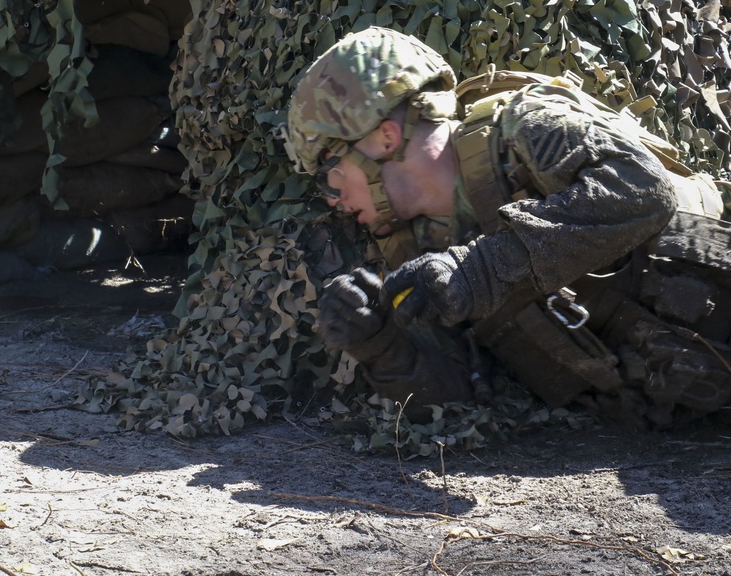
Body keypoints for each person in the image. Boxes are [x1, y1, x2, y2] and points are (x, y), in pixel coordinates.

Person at [283, 26, 731, 428]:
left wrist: (481, 270)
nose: (330, 198)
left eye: (328, 170)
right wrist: (380, 344)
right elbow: (456, 400)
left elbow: (643, 190)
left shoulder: (523, 130)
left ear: (384, 139)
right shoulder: (414, 252)